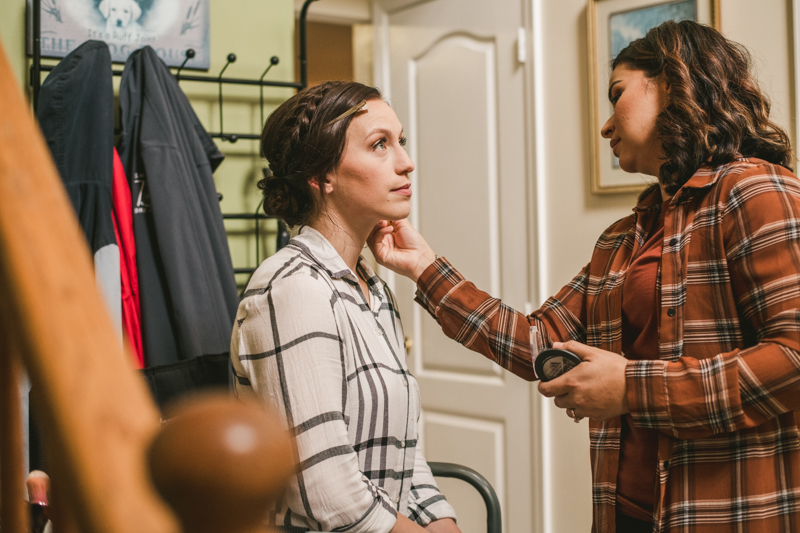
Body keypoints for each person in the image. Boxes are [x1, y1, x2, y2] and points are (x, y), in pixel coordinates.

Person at [368, 20, 800, 533]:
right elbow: (536, 342)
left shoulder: (757, 192)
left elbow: (794, 355)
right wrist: (422, 267)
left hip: (729, 514)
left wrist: (630, 388)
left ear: (673, 82)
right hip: (628, 513)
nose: (605, 125)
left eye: (617, 94)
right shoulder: (624, 238)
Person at [229, 81, 460, 533]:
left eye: (401, 142)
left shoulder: (373, 289)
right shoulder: (291, 290)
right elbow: (324, 493)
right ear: (322, 176)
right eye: (379, 145)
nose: (406, 162)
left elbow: (405, 456)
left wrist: (441, 521)